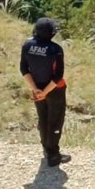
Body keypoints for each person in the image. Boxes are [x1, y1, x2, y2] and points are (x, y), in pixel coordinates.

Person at [20, 17, 70, 167]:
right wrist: (46, 91)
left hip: (37, 87)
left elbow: (24, 69)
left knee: (43, 118)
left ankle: (46, 148)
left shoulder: (27, 45)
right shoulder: (55, 49)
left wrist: (36, 89)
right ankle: (53, 155)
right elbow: (58, 75)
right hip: (55, 89)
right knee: (55, 120)